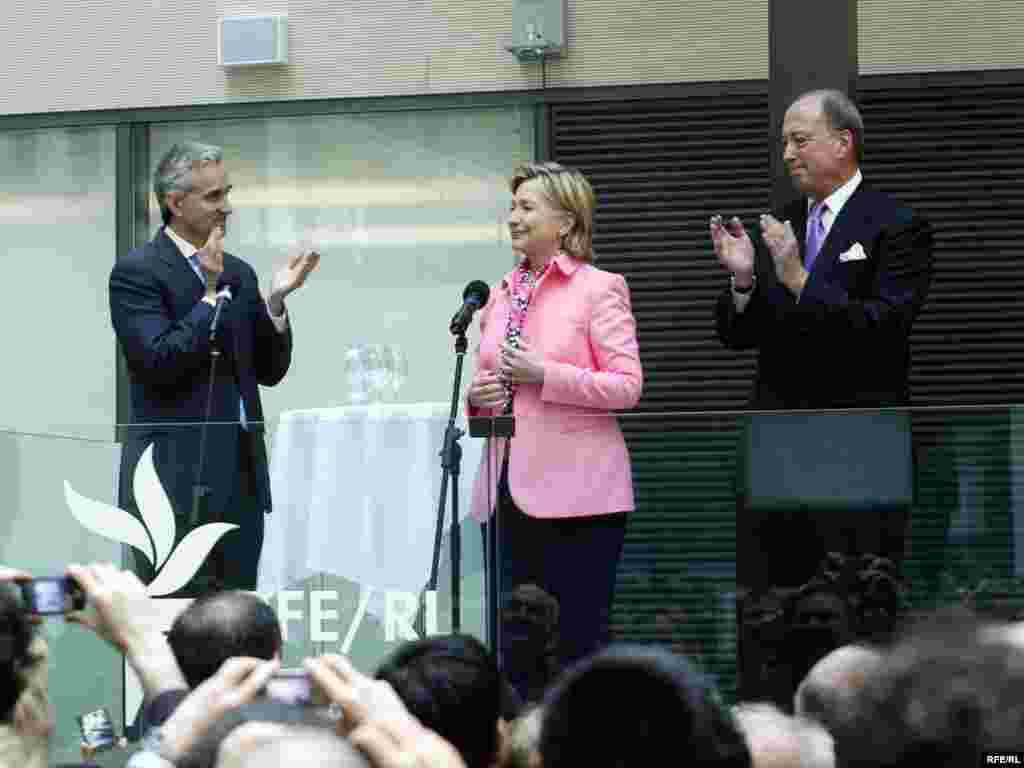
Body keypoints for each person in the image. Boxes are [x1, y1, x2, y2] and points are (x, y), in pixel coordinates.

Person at [465, 161, 643, 697]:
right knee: (514, 643)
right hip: (504, 492)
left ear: (565, 223)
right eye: (512, 207)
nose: (513, 217)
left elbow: (627, 385)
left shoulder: (599, 289)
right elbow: (487, 378)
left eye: (527, 207)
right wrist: (478, 399)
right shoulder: (497, 295)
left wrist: (546, 375)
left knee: (578, 643)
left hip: (581, 500)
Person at [109, 141, 319, 592]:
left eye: (227, 193)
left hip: (238, 482)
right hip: (169, 486)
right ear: (175, 202)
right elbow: (158, 361)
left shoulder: (238, 273)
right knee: (171, 630)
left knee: (237, 630)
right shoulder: (137, 273)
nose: (227, 207)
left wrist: (275, 303)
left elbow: (267, 370)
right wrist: (207, 295)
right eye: (213, 197)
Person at [712, 89, 933, 409]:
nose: (788, 154)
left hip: (862, 422)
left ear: (843, 143)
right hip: (779, 425)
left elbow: (885, 327)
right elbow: (738, 337)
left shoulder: (897, 224)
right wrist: (744, 280)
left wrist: (801, 280)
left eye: (800, 141)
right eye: (785, 143)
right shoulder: (781, 222)